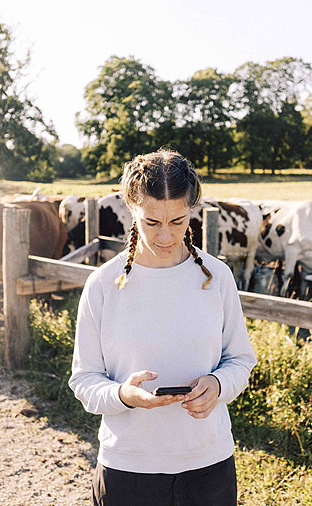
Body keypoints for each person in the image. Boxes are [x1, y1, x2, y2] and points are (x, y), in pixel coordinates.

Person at [69, 149, 257, 505]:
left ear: (192, 210)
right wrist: (123, 395)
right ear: (131, 208)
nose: (166, 237)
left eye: (178, 221)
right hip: (127, 469)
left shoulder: (217, 277)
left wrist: (218, 385)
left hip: (209, 466)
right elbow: (84, 380)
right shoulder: (103, 284)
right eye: (152, 222)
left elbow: (241, 360)